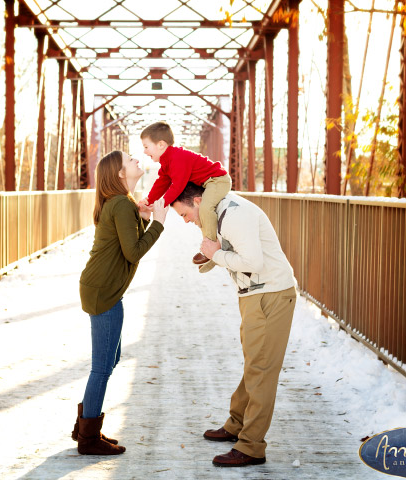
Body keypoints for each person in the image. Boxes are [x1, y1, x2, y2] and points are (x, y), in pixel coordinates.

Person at [171, 182, 297, 467]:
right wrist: (213, 252)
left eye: (185, 214)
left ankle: (251, 446)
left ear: (198, 200)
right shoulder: (221, 212)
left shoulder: (234, 215)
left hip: (270, 295)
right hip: (257, 296)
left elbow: (252, 261)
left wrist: (216, 254)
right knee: (256, 364)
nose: (188, 221)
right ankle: (237, 424)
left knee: (261, 370)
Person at [72, 150, 169, 456]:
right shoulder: (121, 204)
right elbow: (133, 252)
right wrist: (158, 222)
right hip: (104, 291)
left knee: (108, 362)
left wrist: (140, 217)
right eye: (130, 159)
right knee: (101, 367)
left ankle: (84, 426)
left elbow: (124, 242)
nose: (137, 159)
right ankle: (88, 438)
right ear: (119, 173)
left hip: (101, 288)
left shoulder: (121, 203)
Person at [137, 121, 231, 274]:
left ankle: (212, 246)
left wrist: (162, 203)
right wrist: (149, 200)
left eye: (146, 147)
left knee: (205, 209)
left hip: (217, 180)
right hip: (208, 183)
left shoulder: (177, 158)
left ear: (161, 144)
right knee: (201, 213)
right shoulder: (167, 161)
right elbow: (162, 182)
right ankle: (209, 251)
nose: (145, 151)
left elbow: (178, 185)